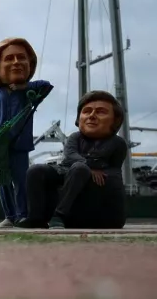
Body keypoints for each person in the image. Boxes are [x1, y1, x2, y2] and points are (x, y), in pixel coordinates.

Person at [21, 91, 128, 229]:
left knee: (79, 168)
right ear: (79, 118)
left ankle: (59, 215)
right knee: (35, 170)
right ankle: (35, 218)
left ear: (115, 120)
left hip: (92, 182)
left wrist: (86, 166)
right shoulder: (75, 137)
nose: (92, 116)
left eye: (100, 112)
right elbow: (70, 154)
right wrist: (90, 165)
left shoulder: (117, 143)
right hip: (66, 171)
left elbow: (112, 169)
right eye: (87, 111)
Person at [0, 37, 53, 228]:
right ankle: (10, 215)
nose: (16, 62)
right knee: (2, 182)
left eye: (21, 58)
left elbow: (46, 86)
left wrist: (24, 87)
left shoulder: (29, 92)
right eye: (9, 58)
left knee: (21, 181)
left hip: (19, 145)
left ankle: (23, 213)